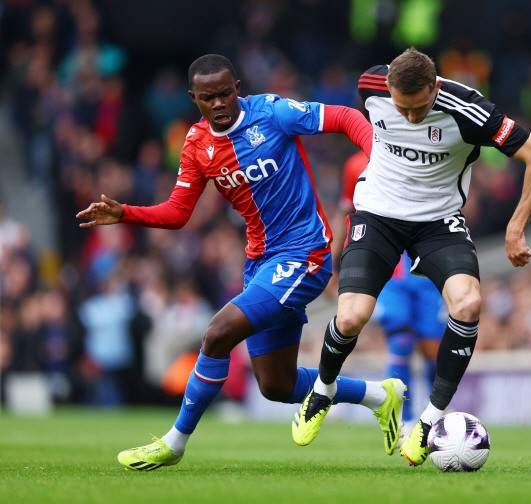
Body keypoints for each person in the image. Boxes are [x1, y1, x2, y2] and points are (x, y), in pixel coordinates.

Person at [76, 54, 407, 471]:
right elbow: (178, 213)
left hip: (305, 252)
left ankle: (175, 442)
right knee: (276, 385)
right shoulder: (197, 145)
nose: (219, 103)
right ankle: (380, 395)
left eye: (225, 93)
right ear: (194, 98)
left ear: (237, 87)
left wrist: (381, 160)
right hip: (260, 263)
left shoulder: (273, 112)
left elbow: (343, 116)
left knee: (217, 333)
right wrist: (126, 213)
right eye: (208, 97)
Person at [291, 48, 531, 465]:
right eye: (402, 109)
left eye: (419, 109)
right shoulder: (370, 86)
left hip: (437, 222)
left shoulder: (470, 111)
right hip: (378, 214)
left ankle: (430, 422)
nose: (411, 118)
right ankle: (321, 393)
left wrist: (516, 225)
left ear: (436, 86)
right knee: (350, 317)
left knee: (468, 304)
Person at [335, 151, 445, 437]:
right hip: (390, 266)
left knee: (433, 352)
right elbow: (347, 211)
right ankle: (404, 420)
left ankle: (437, 413)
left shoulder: (425, 150)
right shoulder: (356, 164)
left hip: (426, 262)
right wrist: (331, 261)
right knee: (402, 340)